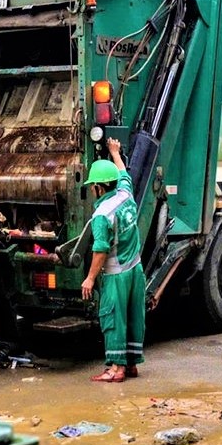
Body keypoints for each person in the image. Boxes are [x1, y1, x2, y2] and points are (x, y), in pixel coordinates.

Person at [80, 138, 146, 383]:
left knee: (113, 317)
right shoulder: (126, 196)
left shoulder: (101, 215)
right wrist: (115, 152)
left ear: (98, 187)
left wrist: (89, 278)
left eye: (92, 186)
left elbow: (100, 250)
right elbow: (124, 174)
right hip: (135, 270)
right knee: (133, 315)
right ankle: (131, 365)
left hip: (116, 274)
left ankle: (116, 369)